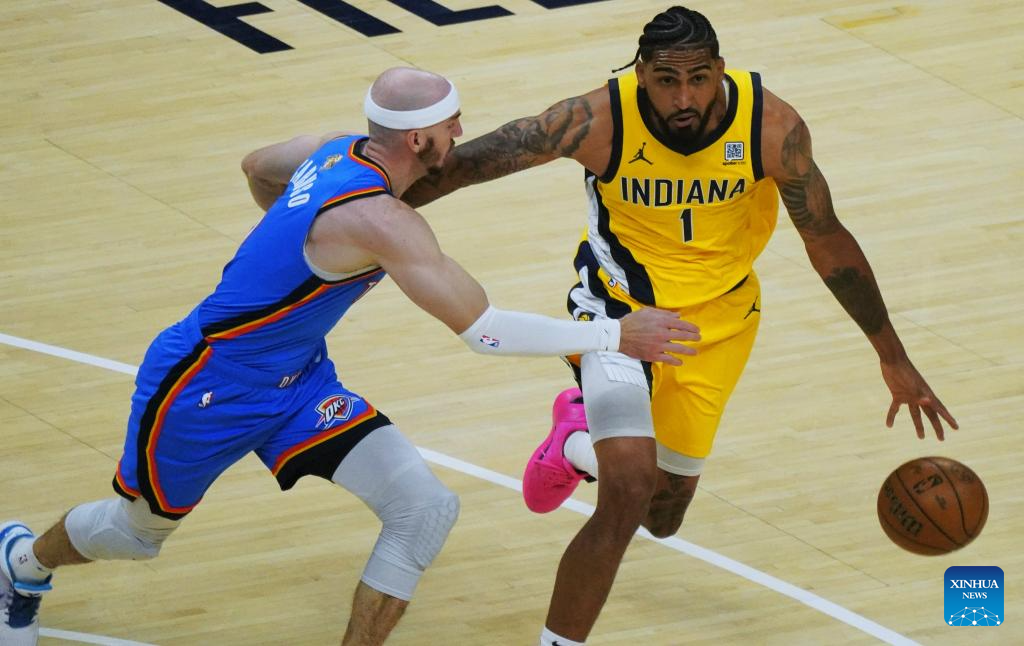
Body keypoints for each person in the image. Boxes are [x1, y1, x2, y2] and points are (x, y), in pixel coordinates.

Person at [0, 67, 698, 646]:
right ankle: (21, 563)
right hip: (208, 384)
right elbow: (484, 331)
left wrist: (293, 243)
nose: (461, 133)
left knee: (424, 508)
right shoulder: (381, 220)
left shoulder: (330, 150)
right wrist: (615, 336)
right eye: (452, 123)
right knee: (137, 532)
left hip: (299, 381)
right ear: (420, 138)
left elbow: (256, 167)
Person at [402, 7, 959, 645]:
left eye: (698, 78)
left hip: (720, 322)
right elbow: (467, 165)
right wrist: (356, 207)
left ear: (720, 69)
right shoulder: (597, 121)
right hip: (618, 314)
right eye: (667, 81)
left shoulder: (771, 127)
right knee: (628, 489)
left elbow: (826, 238)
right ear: (642, 74)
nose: (684, 97)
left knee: (661, 516)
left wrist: (891, 355)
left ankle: (573, 442)